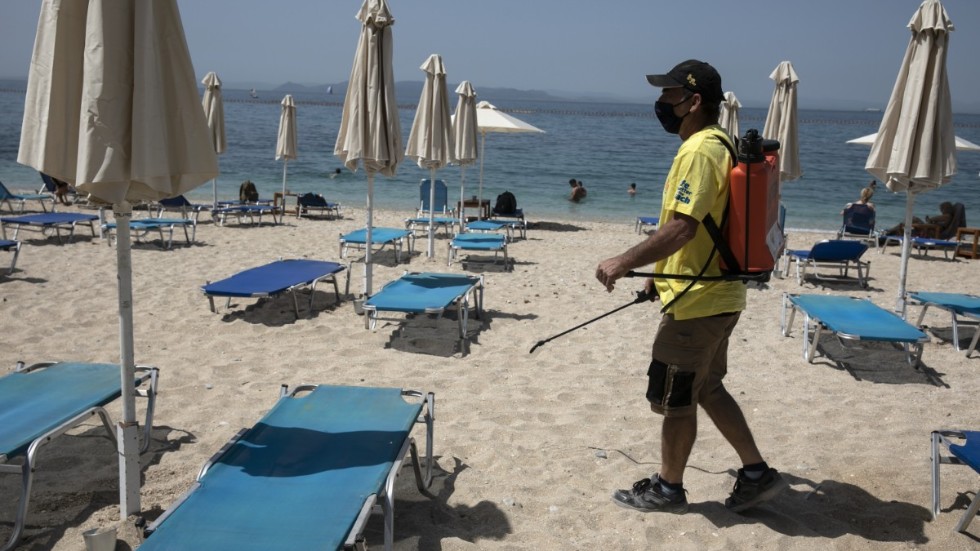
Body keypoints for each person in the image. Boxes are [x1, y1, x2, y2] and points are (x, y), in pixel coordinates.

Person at [595, 59, 787, 515]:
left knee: (676, 399)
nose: (660, 103)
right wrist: (658, 277)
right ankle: (757, 474)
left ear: (693, 101)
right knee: (708, 389)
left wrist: (624, 260)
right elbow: (700, 230)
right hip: (716, 295)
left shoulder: (700, 150)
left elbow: (683, 228)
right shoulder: (720, 143)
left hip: (699, 303)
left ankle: (668, 488)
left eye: (668, 94)